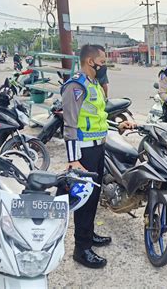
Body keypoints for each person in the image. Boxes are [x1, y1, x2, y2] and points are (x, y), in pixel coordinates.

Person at [61, 44, 134, 269]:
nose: (105, 66)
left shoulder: (94, 85)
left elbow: (99, 116)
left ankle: (89, 234)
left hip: (98, 148)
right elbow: (70, 126)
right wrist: (74, 161)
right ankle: (81, 249)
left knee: (93, 197)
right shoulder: (76, 86)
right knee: (84, 199)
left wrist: (117, 125)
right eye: (102, 61)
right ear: (90, 61)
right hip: (83, 152)